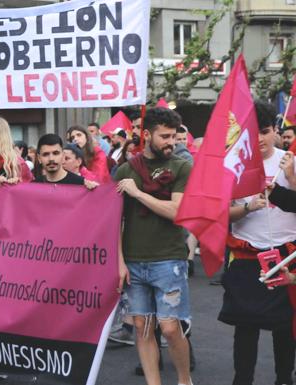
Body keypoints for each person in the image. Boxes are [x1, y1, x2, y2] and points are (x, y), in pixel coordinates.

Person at [219, 101, 296, 385]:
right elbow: (220, 212)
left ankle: (284, 378)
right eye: (252, 133)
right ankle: (243, 379)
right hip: (247, 255)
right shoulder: (233, 163)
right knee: (245, 326)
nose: (259, 139)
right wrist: (248, 207)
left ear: (275, 130)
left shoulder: (290, 160)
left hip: (287, 256)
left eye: (264, 131)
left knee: (285, 328)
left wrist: (291, 178)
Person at [115, 107, 193, 385]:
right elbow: (113, 222)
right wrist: (119, 262)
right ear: (146, 135)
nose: (171, 141)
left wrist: (137, 193)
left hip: (169, 260)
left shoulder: (182, 166)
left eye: (174, 135)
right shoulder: (124, 170)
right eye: (165, 136)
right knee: (141, 327)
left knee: (171, 329)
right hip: (133, 262)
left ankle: (184, 381)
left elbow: (176, 211)